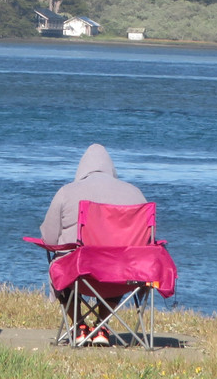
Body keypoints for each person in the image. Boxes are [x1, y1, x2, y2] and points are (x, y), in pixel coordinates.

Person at [39, 143, 146, 345]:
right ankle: (102, 328)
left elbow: (49, 239)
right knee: (118, 261)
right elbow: (147, 241)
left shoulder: (67, 192)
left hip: (79, 277)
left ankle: (79, 325)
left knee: (61, 264)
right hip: (123, 278)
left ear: (82, 168)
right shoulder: (135, 194)